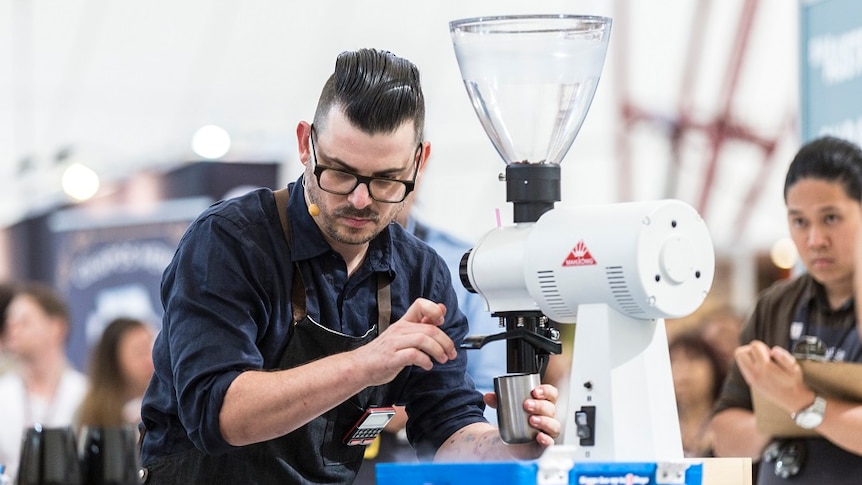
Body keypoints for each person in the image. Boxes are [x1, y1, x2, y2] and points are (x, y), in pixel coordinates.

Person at [139, 48, 559, 484]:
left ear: (420, 161)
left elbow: (447, 428)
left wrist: (507, 447)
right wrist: (366, 363)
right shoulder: (231, 243)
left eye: (385, 180)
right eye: (340, 173)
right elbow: (219, 412)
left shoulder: (421, 275)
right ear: (306, 144)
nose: (361, 200)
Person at [711, 136, 862, 484]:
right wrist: (786, 412)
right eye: (799, 222)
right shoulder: (776, 305)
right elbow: (724, 437)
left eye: (831, 218)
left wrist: (800, 401)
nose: (815, 239)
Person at [0, 282, 88, 481]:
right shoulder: (3, 393)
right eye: (10, 323)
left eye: (24, 321)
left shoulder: (84, 394)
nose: (13, 329)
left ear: (56, 327)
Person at [77, 317, 155, 430]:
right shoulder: (93, 412)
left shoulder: (164, 404)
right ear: (113, 360)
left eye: (151, 350)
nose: (150, 360)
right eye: (140, 352)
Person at [669, 332, 725, 458]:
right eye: (673, 360)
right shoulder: (661, 423)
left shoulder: (730, 419)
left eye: (693, 358)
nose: (682, 370)